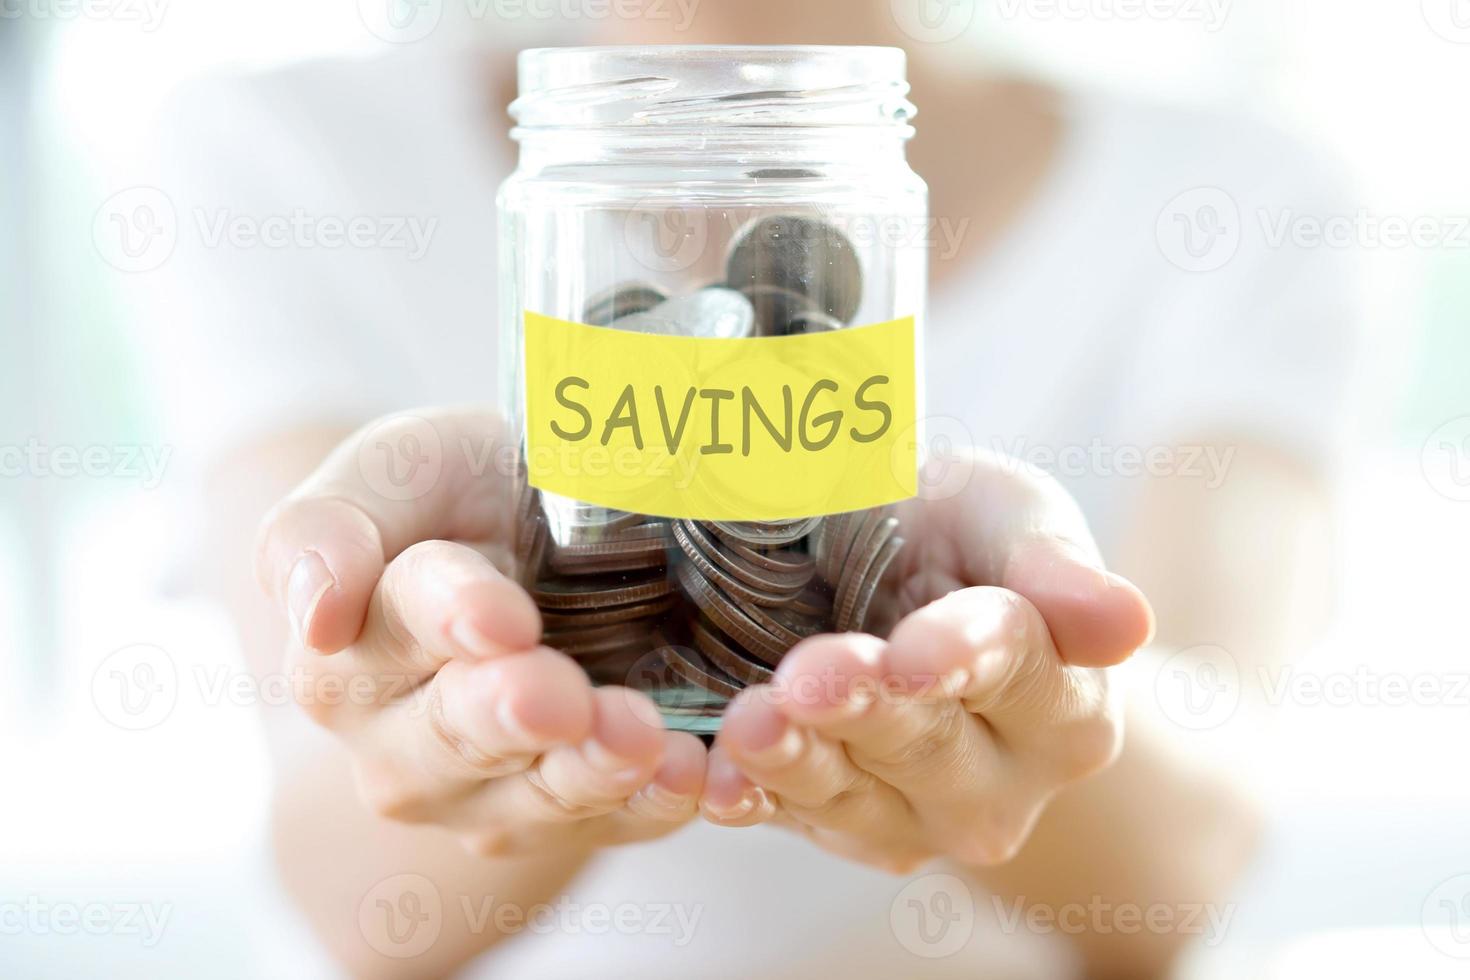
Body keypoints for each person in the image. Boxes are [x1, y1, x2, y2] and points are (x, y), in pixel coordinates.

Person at [141, 2, 1358, 976]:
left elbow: (1182, 872)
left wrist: (1032, 664)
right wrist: (493, 696)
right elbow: (351, 898)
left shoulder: (1241, 192)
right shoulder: (278, 147)